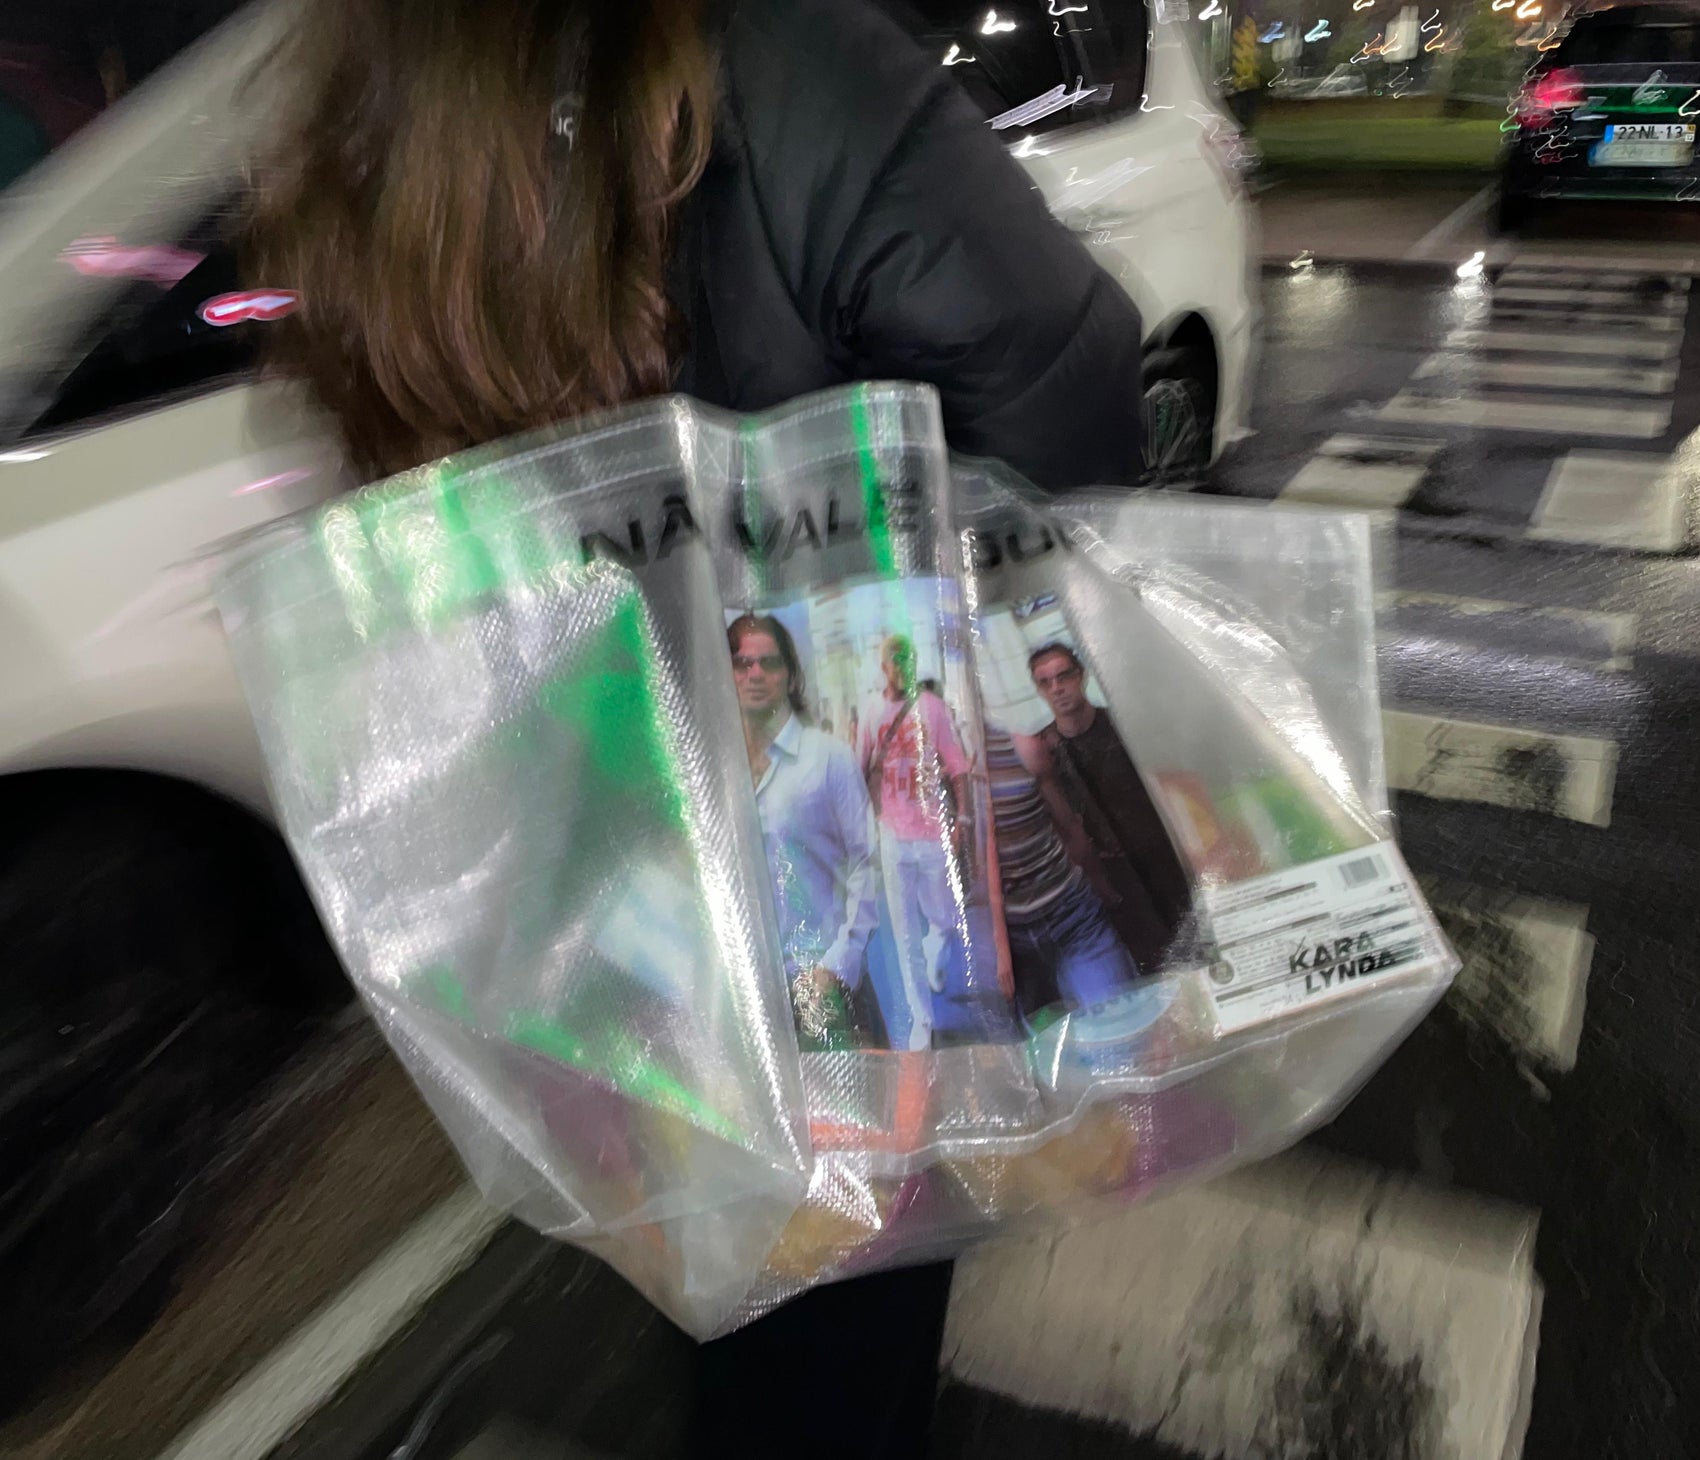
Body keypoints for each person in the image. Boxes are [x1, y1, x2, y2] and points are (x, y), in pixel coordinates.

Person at [248, 0, 1144, 1451]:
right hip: (842, 836)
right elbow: (1070, 395)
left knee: (734, 1232)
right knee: (852, 1257)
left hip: (608, 826)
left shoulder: (379, 83)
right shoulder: (791, 60)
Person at [247, 0, 1144, 492]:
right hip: (835, 725)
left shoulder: (359, 124)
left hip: (589, 727)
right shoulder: (791, 57)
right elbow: (1059, 397)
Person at [729, 613, 881, 1048]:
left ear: (789, 674)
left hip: (820, 987)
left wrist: (838, 966)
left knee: (848, 1092)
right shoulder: (716, 772)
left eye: (769, 662)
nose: (755, 674)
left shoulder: (827, 758)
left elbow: (867, 864)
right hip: (746, 998)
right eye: (742, 663)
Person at [1030, 642, 1195, 974]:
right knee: (1155, 964)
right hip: (1109, 879)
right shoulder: (1044, 751)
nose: (1057, 688)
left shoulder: (1123, 726)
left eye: (1063, 676)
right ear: (1039, 690)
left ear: (1081, 675)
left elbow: (1173, 785)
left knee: (1196, 940)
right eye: (1046, 682)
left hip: (1165, 856)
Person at [858, 634, 971, 1049]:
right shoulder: (871, 711)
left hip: (932, 832)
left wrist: (963, 816)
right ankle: (922, 1020)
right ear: (884, 666)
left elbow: (956, 764)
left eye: (910, 659)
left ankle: (937, 939)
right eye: (897, 660)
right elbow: (859, 768)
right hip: (892, 835)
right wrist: (865, 829)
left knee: (944, 915)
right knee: (905, 932)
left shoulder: (932, 708)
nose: (904, 666)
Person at [984, 724, 1138, 1020]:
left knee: (1121, 1025)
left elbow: (1068, 824)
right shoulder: (929, 759)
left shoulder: (1020, 743)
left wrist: (1102, 887)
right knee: (1026, 1045)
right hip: (1002, 942)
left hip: (1070, 915)